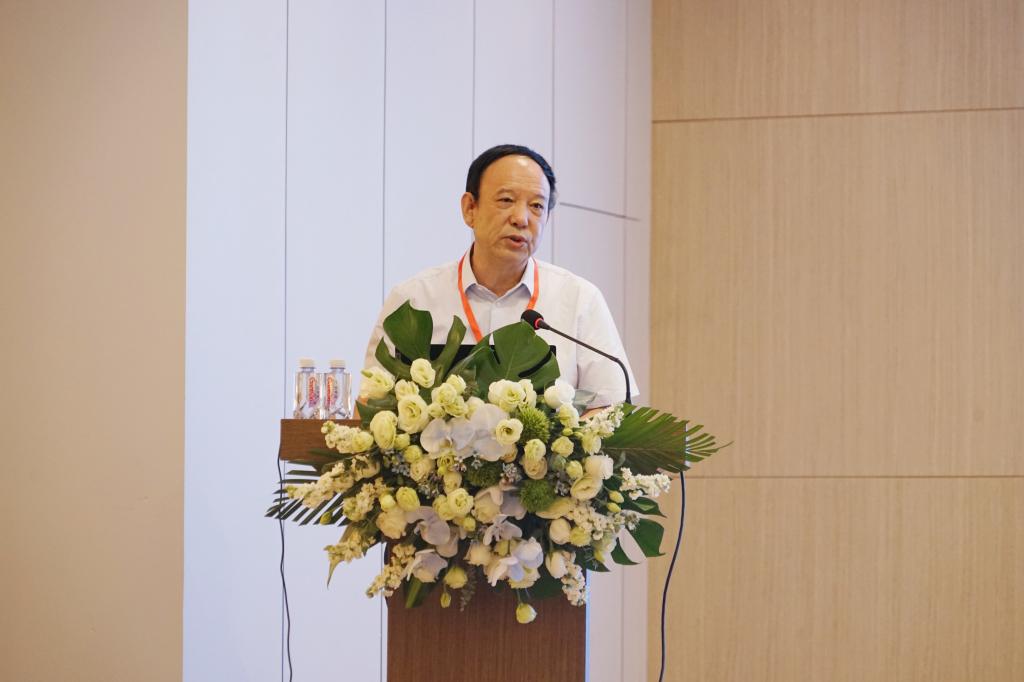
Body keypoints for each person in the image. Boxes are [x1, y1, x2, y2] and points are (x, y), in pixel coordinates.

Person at [363, 144, 637, 406]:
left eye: (537, 206)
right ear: (470, 209)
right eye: (506, 200)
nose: (521, 218)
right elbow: (371, 402)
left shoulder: (579, 299)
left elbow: (610, 407)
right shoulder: (413, 300)